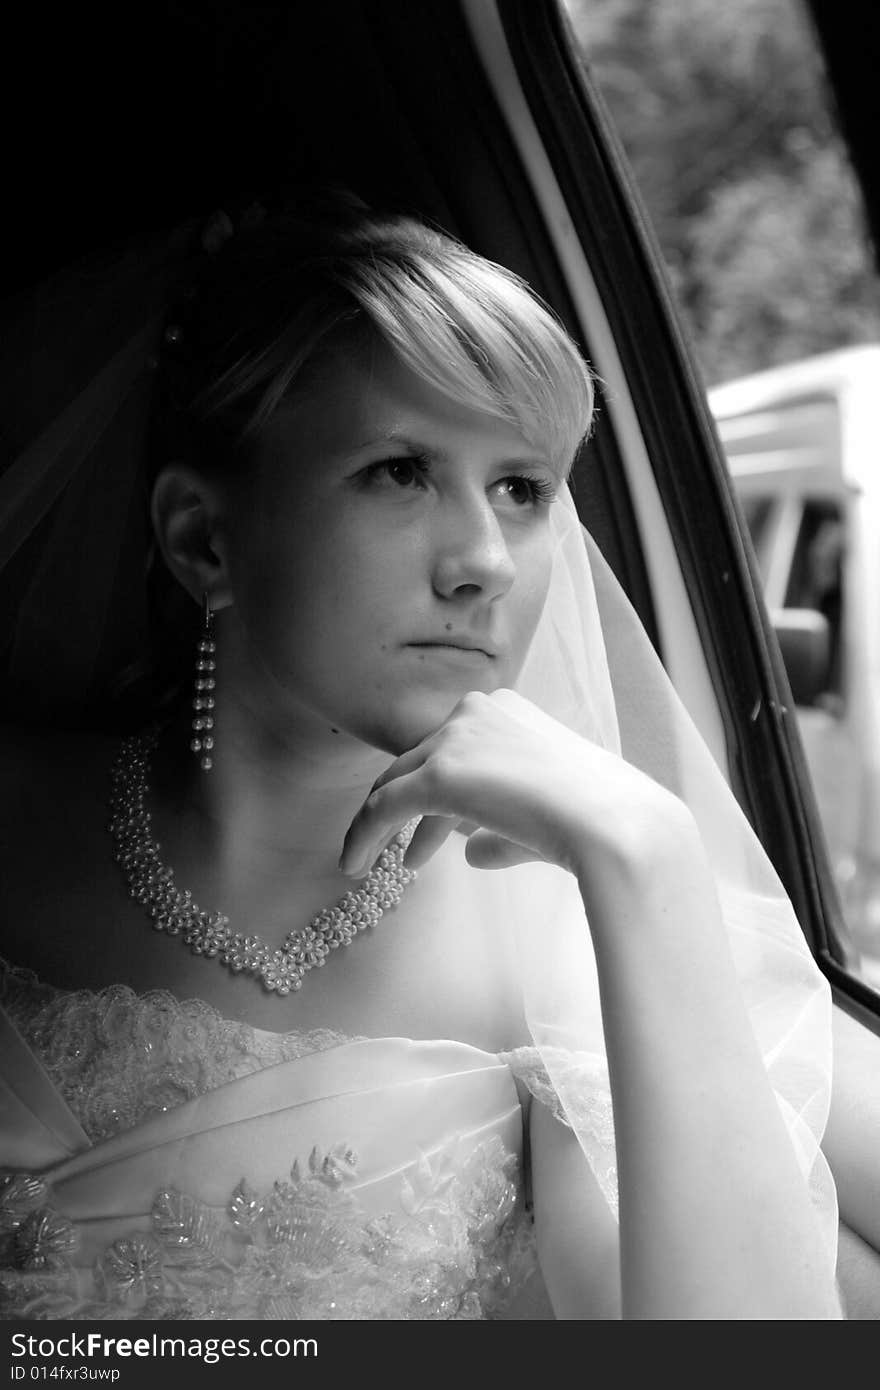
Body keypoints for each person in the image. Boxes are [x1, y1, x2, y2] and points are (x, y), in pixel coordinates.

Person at [0, 193, 843, 1320]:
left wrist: (648, 849)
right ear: (205, 538)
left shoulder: (563, 938)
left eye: (522, 488)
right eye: (400, 470)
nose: (485, 562)